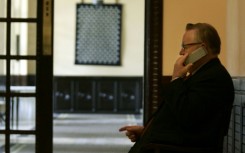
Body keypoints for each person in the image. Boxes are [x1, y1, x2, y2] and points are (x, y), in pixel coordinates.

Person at [119, 23, 234, 153]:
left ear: (202, 49)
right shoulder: (202, 74)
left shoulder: (213, 77)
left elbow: (188, 117)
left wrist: (176, 78)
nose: (181, 52)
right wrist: (146, 132)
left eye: (185, 47)